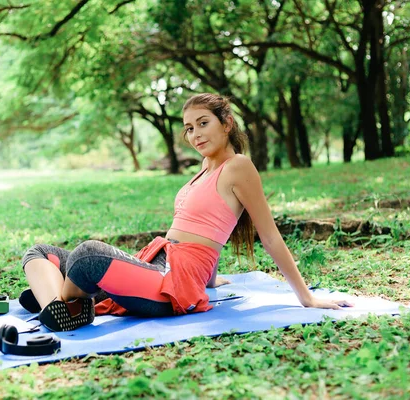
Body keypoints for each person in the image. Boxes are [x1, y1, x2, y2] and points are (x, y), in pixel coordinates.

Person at [20, 93, 353, 332]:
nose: (194, 134)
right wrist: (211, 277)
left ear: (227, 124)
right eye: (189, 128)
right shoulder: (206, 167)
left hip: (173, 282)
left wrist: (306, 297)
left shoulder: (239, 167)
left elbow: (269, 236)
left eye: (202, 123)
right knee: (40, 252)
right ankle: (62, 306)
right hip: (157, 264)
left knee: (87, 255)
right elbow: (207, 227)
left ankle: (64, 298)